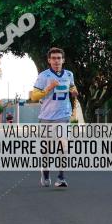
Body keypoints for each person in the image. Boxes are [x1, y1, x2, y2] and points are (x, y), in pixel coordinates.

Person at [29, 47, 77, 187]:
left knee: (64, 146)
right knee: (47, 150)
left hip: (64, 116)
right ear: (49, 60)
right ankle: (45, 174)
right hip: (47, 117)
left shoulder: (69, 74)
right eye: (54, 58)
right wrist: (48, 88)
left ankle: (61, 177)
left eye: (59, 58)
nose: (56, 61)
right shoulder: (43, 76)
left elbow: (72, 87)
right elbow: (33, 96)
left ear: (63, 60)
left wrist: (74, 92)